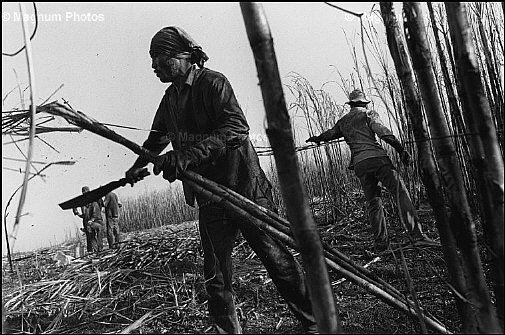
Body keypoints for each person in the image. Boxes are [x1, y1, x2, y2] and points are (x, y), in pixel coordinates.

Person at [124, 26, 317, 333]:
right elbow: (155, 140)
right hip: (210, 197)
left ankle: (315, 322)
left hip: (243, 187)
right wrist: (138, 166)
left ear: (181, 56)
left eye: (159, 58)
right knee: (215, 274)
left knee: (276, 259)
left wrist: (187, 155)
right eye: (152, 59)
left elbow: (236, 128)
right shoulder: (170, 99)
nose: (154, 66)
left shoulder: (214, 83)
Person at [306, 89, 438, 253]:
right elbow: (382, 131)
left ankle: (381, 244)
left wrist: (317, 138)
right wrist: (400, 149)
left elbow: (330, 134)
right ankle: (417, 235)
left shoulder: (344, 121)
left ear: (351, 104)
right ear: (364, 103)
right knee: (400, 193)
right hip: (378, 159)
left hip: (360, 165)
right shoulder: (369, 114)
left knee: (374, 203)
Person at [73, 186, 104, 254]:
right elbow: (75, 205)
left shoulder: (94, 202)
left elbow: (96, 212)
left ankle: (99, 249)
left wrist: (91, 220)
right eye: (83, 192)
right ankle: (93, 250)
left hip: (95, 220)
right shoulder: (84, 202)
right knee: (90, 235)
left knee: (95, 233)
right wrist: (77, 213)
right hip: (89, 221)